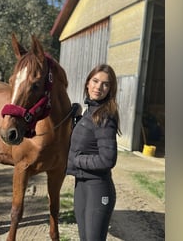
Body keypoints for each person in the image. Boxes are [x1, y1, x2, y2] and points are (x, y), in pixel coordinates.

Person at [67, 64, 121, 241]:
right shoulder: (89, 113)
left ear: (110, 89)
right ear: (87, 83)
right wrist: (76, 119)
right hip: (81, 186)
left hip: (98, 188)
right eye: (95, 81)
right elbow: (86, 140)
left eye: (105, 84)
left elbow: (107, 160)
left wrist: (77, 160)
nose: (98, 87)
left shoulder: (104, 116)